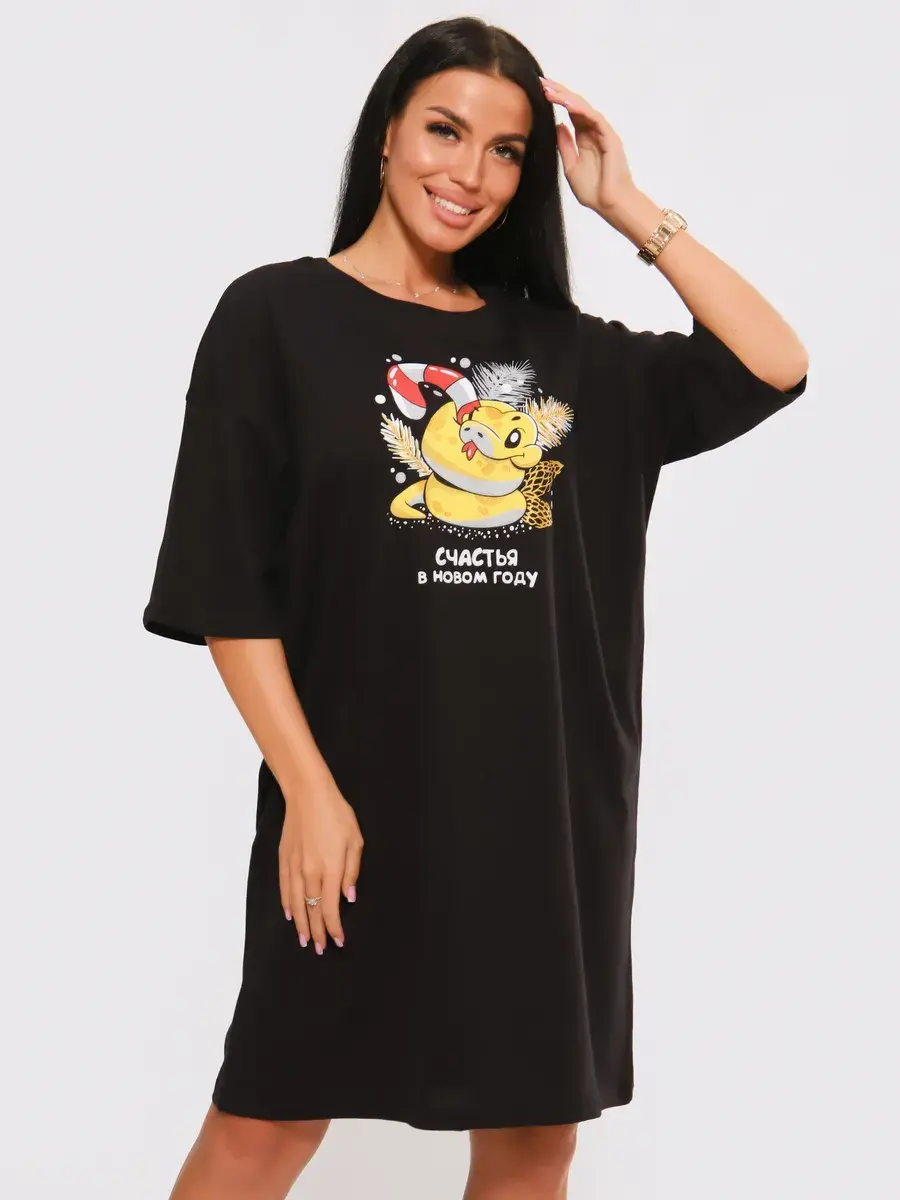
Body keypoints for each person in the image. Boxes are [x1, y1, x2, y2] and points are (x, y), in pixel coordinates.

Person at [142, 16, 809, 1200]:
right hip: (348, 805)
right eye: (446, 132)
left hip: (542, 824)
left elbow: (774, 364)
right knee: (265, 1122)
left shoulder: (564, 357)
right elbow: (229, 584)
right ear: (388, 132)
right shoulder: (275, 319)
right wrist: (307, 790)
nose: (471, 173)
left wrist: (627, 205)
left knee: (534, 1141)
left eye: (507, 152)